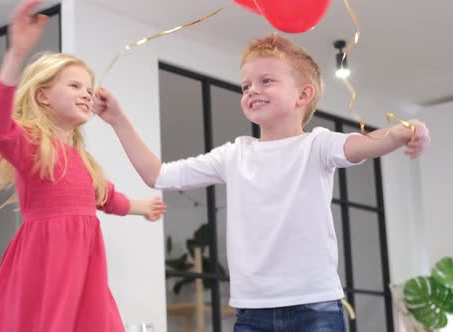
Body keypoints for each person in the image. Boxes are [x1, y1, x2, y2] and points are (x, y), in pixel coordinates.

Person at [93, 34, 430, 331]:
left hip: (315, 307)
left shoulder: (318, 145)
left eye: (266, 80)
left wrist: (403, 131)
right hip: (252, 314)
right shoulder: (234, 155)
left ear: (303, 94)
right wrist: (119, 121)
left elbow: (365, 144)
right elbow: (159, 175)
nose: (252, 89)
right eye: (246, 85)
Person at [0, 0, 166, 330]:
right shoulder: (35, 149)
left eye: (88, 88)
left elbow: (107, 198)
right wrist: (15, 55)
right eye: (74, 85)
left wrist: (144, 207)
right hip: (47, 263)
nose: (86, 94)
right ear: (43, 96)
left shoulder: (84, 161)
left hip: (85, 269)